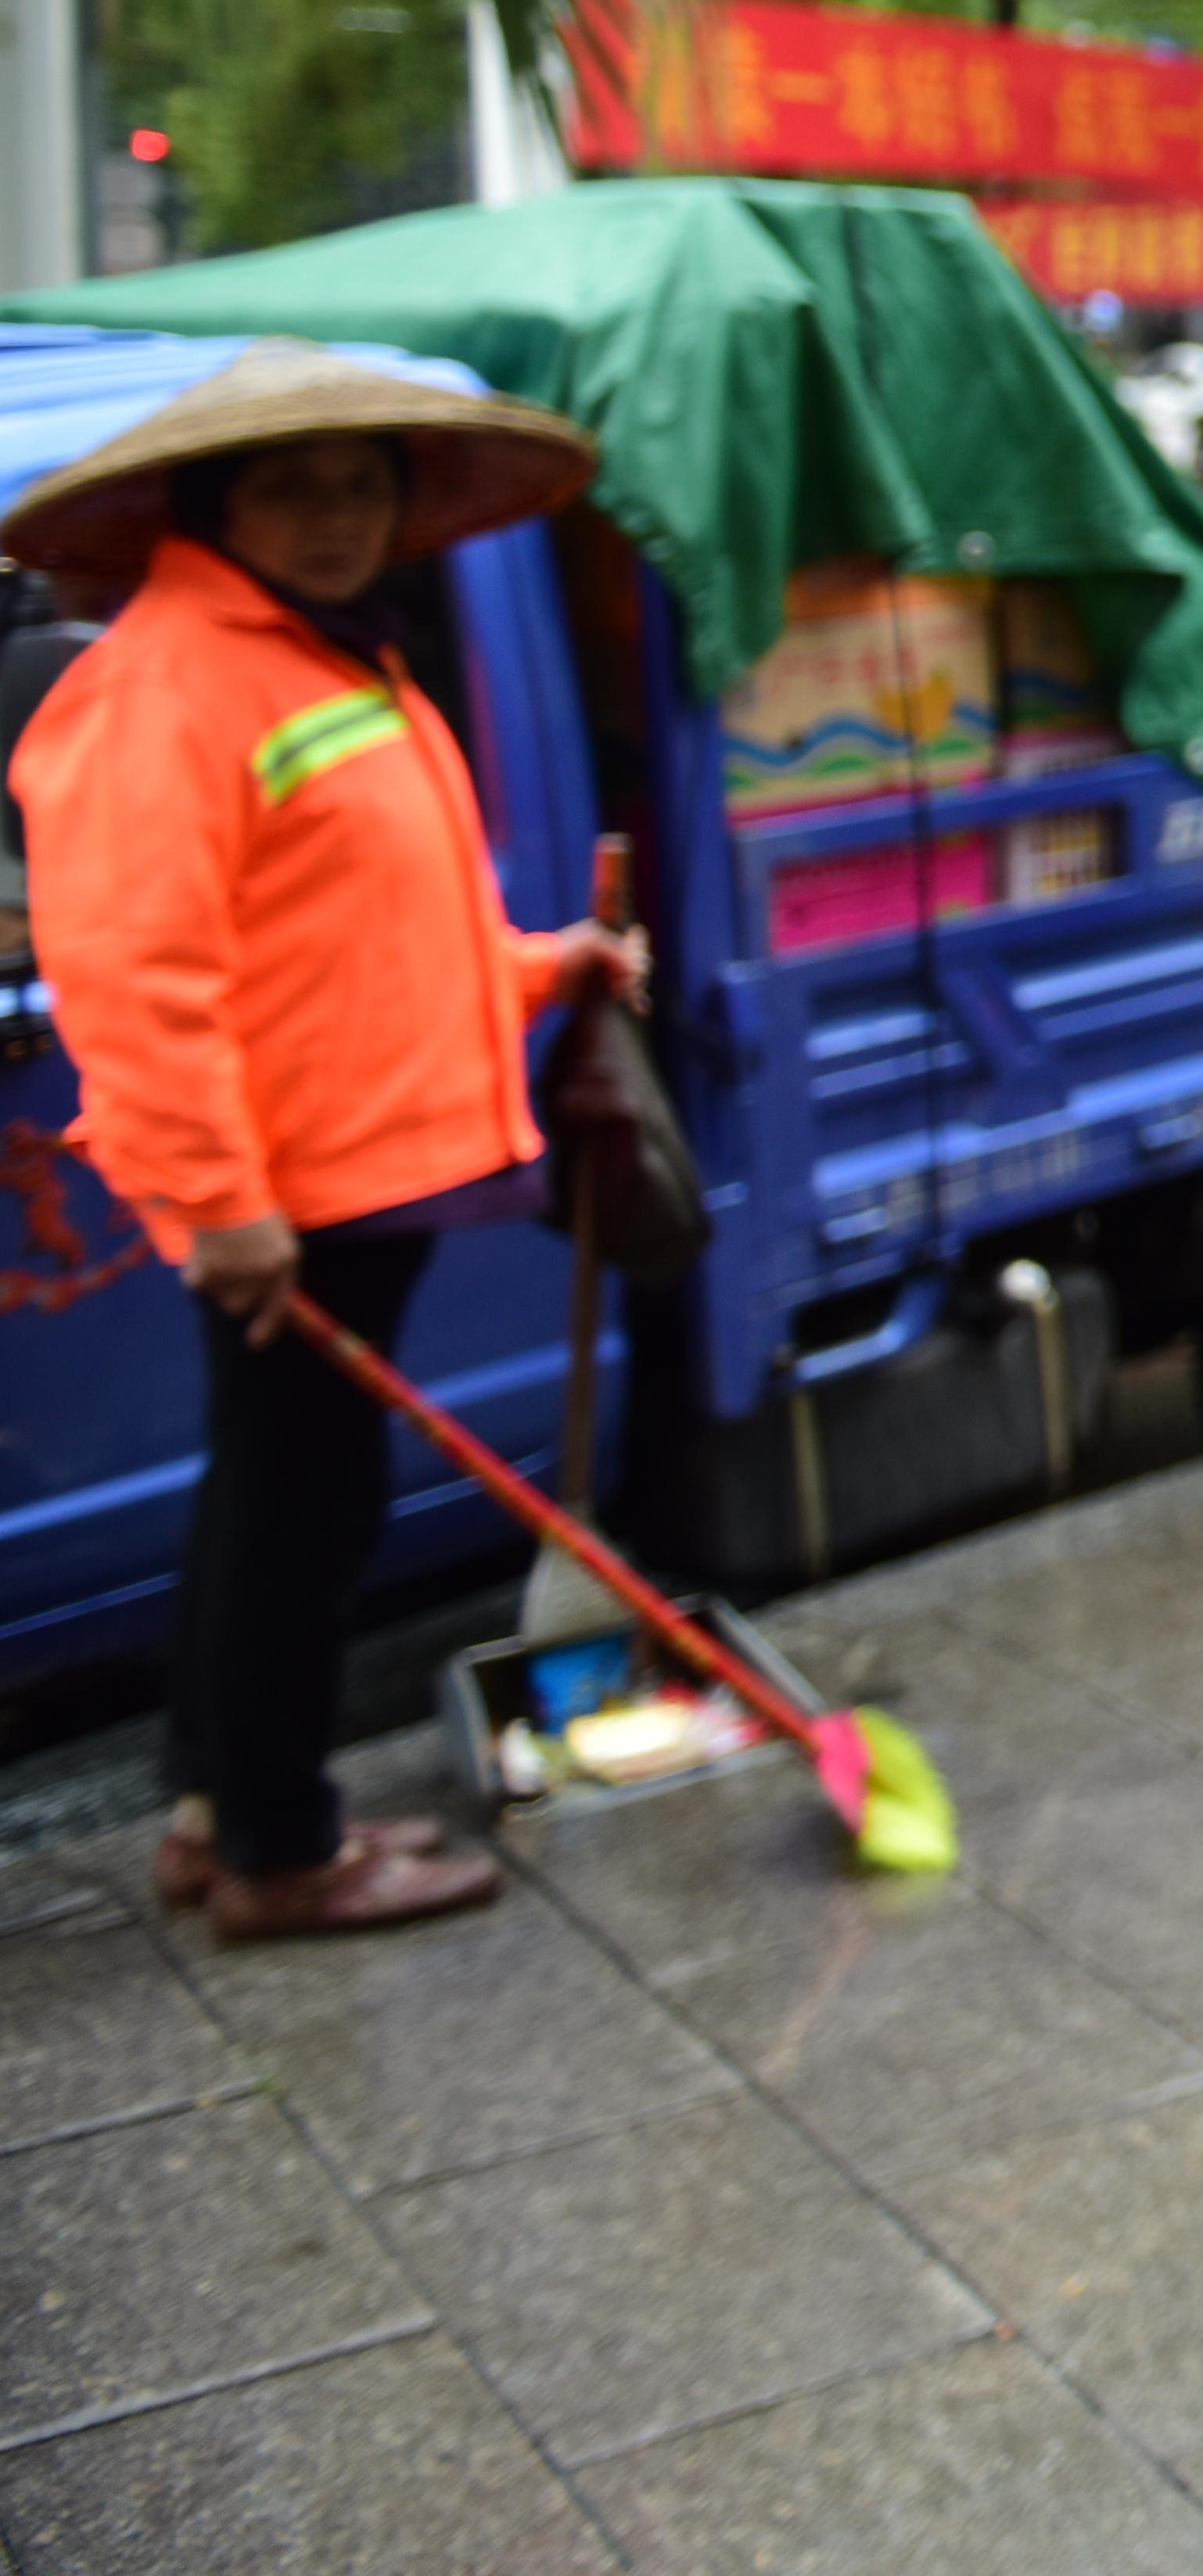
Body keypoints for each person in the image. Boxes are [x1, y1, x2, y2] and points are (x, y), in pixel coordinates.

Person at [3, 346, 640, 1941]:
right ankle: (286, 1852)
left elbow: (368, 930)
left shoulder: (323, 656)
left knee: (267, 1494)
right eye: (297, 486)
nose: (339, 515)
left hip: (353, 1173)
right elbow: (140, 983)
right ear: (219, 500)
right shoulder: (170, 681)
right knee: (306, 1514)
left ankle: (216, 1805)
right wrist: (221, 1203)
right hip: (291, 1191)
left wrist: (543, 962)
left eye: (363, 485)